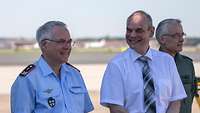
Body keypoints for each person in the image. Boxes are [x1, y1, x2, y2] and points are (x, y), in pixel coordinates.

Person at [100, 10, 187, 113]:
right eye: (129, 30)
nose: (132, 35)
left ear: (151, 31)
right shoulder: (116, 65)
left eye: (138, 30)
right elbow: (116, 108)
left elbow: (175, 101)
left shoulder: (167, 61)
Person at [11, 21, 94, 113]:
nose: (67, 47)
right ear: (44, 45)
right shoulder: (27, 80)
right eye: (61, 42)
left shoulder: (75, 75)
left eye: (69, 42)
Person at [155, 19, 196, 113]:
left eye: (182, 35)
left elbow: (191, 93)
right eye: (176, 35)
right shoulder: (150, 65)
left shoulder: (187, 64)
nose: (181, 39)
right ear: (162, 39)